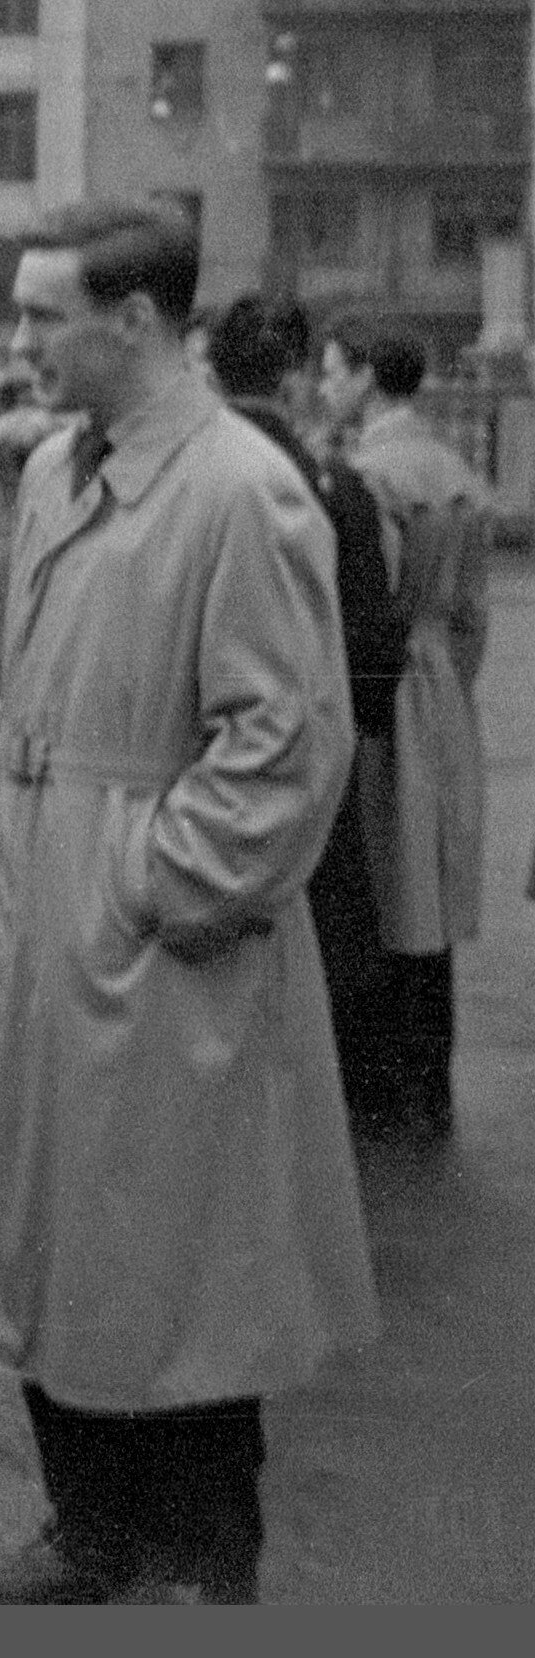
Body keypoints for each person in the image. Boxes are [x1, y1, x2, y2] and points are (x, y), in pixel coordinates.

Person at [0, 200, 377, 1604]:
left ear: (133, 321)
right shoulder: (64, 465)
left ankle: (200, 1559)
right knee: (46, 1232)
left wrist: (152, 885)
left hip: (138, 919)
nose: (18, 341)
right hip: (35, 891)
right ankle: (91, 1524)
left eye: (41, 314)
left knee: (182, 1255)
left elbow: (283, 741)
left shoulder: (238, 489)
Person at [204, 295, 410, 1137]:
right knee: (325, 935)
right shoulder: (335, 485)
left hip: (208, 769)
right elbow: (374, 640)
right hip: (320, 758)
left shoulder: (195, 477)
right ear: (293, 382)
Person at [321, 319, 492, 1147]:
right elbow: (473, 617)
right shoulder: (458, 472)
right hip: (440, 685)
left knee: (382, 881)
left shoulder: (365, 476)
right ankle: (432, 1081)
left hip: (384, 686)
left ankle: (382, 1088)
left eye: (334, 371)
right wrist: (449, 684)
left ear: (364, 378)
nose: (326, 387)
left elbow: (362, 603)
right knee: (430, 878)